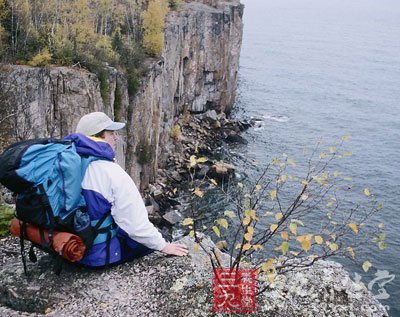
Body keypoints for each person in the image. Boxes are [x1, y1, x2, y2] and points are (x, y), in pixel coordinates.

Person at [69, 111, 188, 267]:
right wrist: (164, 246)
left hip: (68, 247)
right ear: (98, 137)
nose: (115, 137)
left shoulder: (67, 165)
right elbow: (135, 225)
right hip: (95, 256)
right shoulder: (109, 171)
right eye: (111, 133)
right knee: (160, 237)